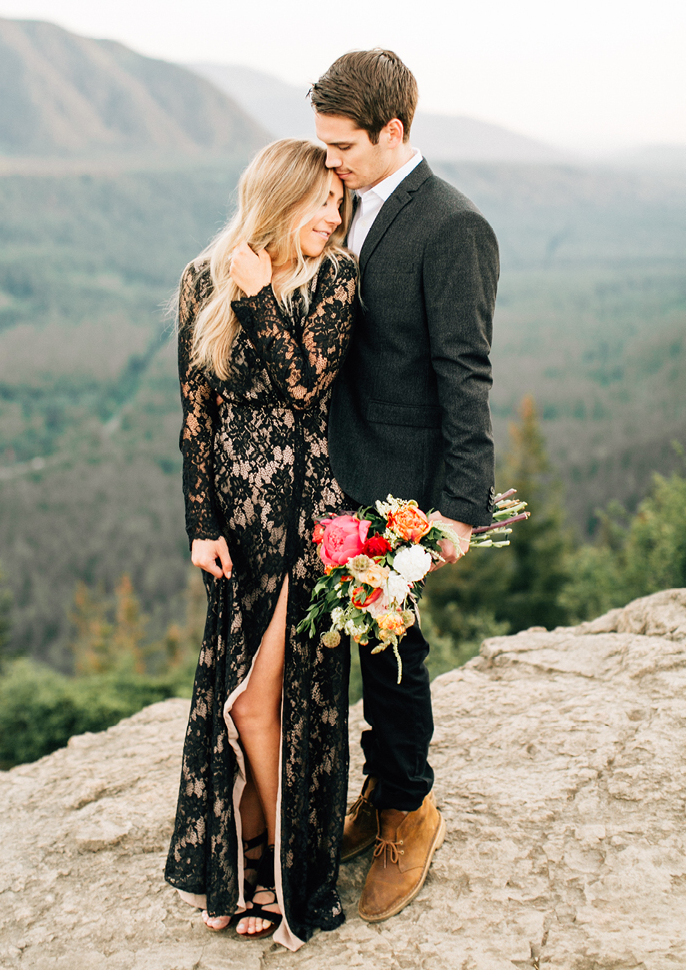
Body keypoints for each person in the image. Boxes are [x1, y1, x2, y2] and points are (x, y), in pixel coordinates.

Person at [309, 49, 499, 923]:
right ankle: (381, 787)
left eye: (343, 145)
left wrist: (459, 508)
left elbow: (465, 374)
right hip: (332, 471)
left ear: (395, 132)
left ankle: (409, 811)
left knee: (390, 655)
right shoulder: (340, 203)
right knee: (344, 647)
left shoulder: (452, 225)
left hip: (404, 493)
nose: (329, 161)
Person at [164, 139, 358, 949]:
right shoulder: (201, 278)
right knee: (250, 699)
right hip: (238, 527)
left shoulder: (337, 280)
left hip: (308, 518)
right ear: (278, 201)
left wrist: (257, 300)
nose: (333, 218)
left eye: (340, 205)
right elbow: (195, 414)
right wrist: (200, 521)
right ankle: (243, 868)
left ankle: (283, 874)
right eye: (319, 204)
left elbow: (305, 383)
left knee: (261, 700)